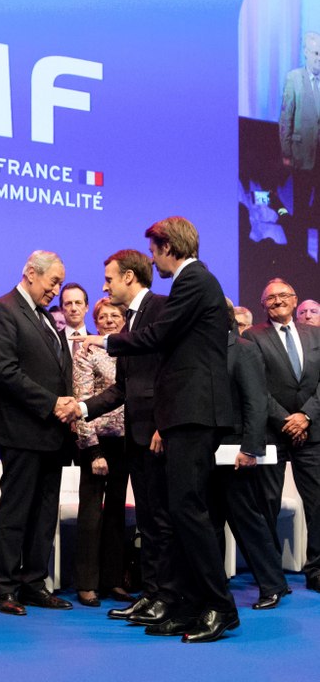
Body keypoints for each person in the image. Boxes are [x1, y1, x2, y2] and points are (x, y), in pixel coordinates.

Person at [81, 217, 237, 643]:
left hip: (193, 411)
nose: (152, 258)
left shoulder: (193, 280)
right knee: (183, 511)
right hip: (185, 411)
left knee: (188, 511)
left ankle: (219, 608)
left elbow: (162, 335)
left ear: (168, 246)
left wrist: (107, 342)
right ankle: (190, 605)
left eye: (153, 250)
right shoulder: (196, 283)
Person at [79, 250, 173, 624]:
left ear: (130, 277)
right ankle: (152, 596)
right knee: (148, 522)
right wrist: (82, 409)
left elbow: (171, 375)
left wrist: (162, 426)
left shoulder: (160, 309)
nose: (105, 286)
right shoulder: (132, 321)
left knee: (162, 521)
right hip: (135, 437)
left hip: (156, 435)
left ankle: (168, 597)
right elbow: (122, 388)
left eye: (109, 279)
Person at [0, 250, 76, 616]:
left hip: (52, 433)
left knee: (44, 513)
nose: (57, 289)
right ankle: (5, 587)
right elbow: (5, 371)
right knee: (17, 511)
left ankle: (34, 583)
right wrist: (54, 402)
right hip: (22, 431)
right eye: (54, 281)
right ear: (30, 274)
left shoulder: (45, 318)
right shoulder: (2, 310)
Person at [209, 299, 290, 610]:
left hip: (237, 450)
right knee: (212, 519)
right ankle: (215, 586)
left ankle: (273, 584)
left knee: (247, 520)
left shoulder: (243, 348)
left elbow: (257, 402)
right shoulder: (205, 353)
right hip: (208, 449)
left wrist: (250, 448)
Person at [243, 278, 320, 595]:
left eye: (283, 295)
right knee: (267, 505)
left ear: (295, 298)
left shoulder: (316, 334)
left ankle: (316, 569)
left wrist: (306, 416)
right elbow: (256, 387)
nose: (277, 300)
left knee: (318, 505)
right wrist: (286, 419)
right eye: (270, 297)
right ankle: (272, 576)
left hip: (312, 431)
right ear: (263, 305)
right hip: (272, 433)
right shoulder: (252, 337)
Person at [72, 298, 131, 607]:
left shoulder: (132, 351)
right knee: (91, 514)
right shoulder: (87, 353)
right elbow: (80, 402)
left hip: (127, 442)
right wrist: (94, 450)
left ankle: (113, 580)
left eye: (115, 315)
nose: (109, 320)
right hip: (96, 444)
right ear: (95, 323)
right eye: (103, 316)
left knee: (117, 514)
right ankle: (87, 583)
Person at [279, 31, 320, 256]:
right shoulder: (294, 78)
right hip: (301, 156)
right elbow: (286, 117)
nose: (319, 58)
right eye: (315, 53)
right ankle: (299, 255)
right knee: (301, 209)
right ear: (306, 53)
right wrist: (286, 151)